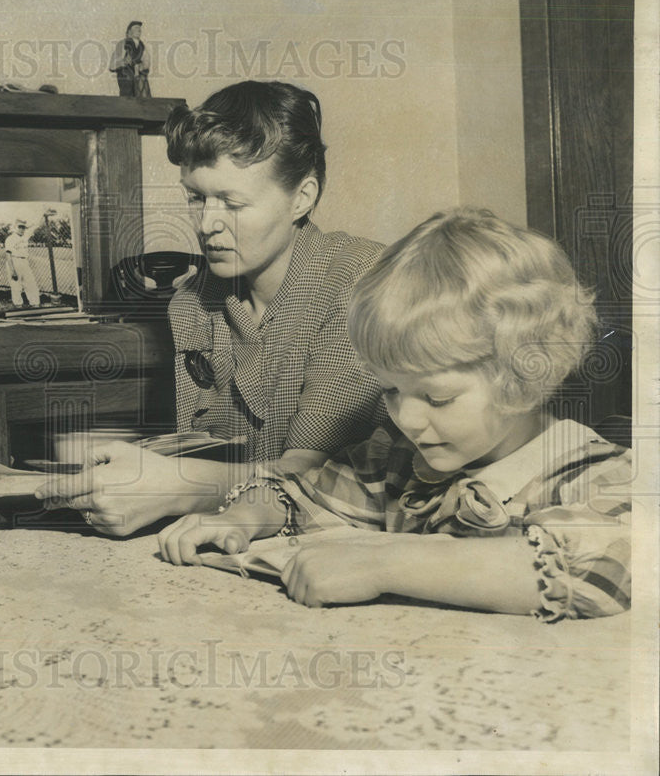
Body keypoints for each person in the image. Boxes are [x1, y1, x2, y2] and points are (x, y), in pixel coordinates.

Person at [159, 208, 631, 621]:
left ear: (527, 376)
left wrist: (381, 564)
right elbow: (306, 494)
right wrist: (242, 517)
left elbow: (594, 570)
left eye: (437, 398)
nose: (407, 417)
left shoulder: (596, 472)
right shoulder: (399, 460)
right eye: (390, 390)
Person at [37, 81, 386, 536]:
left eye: (233, 203)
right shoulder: (194, 301)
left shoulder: (362, 281)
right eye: (196, 198)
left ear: (303, 197)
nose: (206, 225)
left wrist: (178, 486)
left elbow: (309, 478)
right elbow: (215, 453)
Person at [3, 218, 41, 308]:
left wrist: (43, 215)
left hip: (24, 261)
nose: (21, 229)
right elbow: (8, 255)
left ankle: (35, 303)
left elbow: (36, 226)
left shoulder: (25, 236)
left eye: (23, 227)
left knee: (31, 283)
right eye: (19, 227)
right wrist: (12, 270)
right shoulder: (10, 239)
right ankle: (18, 305)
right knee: (16, 285)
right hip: (14, 261)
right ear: (15, 227)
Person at [109, 21, 151, 98]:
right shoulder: (122, 44)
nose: (139, 30)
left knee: (143, 97)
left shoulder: (142, 46)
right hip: (125, 76)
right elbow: (112, 65)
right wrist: (123, 62)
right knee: (127, 100)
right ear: (129, 32)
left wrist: (142, 66)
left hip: (138, 77)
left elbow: (147, 61)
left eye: (139, 28)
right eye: (136, 28)